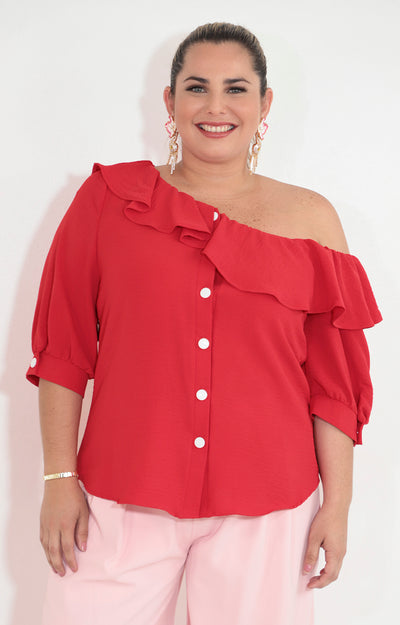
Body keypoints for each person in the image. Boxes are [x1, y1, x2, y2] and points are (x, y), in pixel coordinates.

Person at [26, 22, 383, 625]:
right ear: (170, 102)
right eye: (197, 87)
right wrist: (58, 477)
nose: (216, 106)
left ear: (265, 103)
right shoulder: (108, 200)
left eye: (236, 89)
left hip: (269, 506)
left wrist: (338, 504)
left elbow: (334, 383)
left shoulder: (311, 220)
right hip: (122, 493)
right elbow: (64, 349)